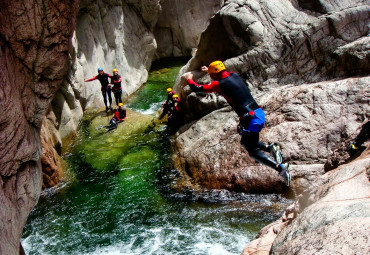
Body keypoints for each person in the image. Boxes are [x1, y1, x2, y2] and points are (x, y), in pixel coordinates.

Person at [185, 60, 291, 186]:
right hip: (257, 113)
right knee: (245, 142)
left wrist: (189, 79)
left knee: (252, 150)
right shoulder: (234, 75)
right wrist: (209, 69)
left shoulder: (219, 84)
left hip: (252, 119)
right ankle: (270, 148)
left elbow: (197, 89)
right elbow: (222, 75)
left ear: (214, 74)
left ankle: (281, 168)